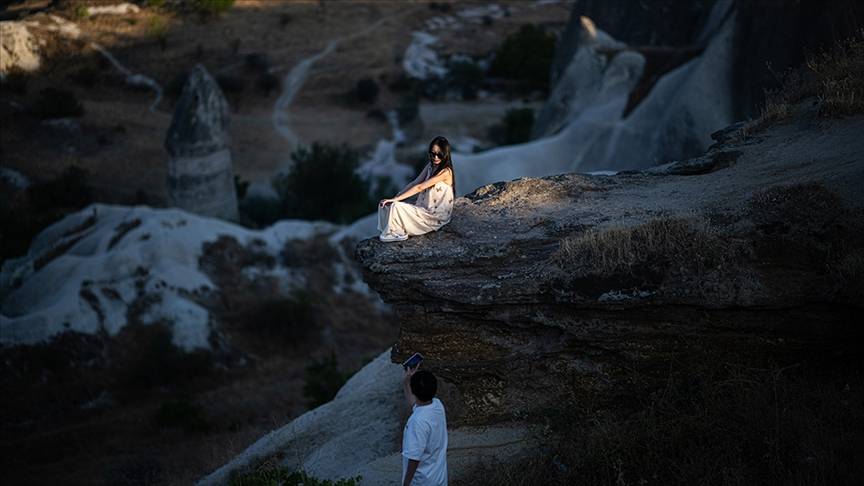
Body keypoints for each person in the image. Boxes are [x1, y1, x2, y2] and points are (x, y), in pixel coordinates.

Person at [378, 136, 455, 242]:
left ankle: (398, 232)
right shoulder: (430, 166)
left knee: (396, 206)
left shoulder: (446, 172)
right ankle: (397, 230)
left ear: (445, 154)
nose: (436, 157)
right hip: (424, 207)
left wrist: (396, 200)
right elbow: (415, 182)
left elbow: (420, 187)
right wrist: (395, 197)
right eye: (433, 154)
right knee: (386, 205)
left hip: (435, 216)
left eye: (439, 154)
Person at [401, 366, 448, 486]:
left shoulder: (417, 422)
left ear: (414, 391)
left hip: (421, 482)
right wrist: (407, 383)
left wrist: (406, 484)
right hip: (439, 479)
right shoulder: (437, 405)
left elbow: (414, 458)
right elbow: (414, 404)